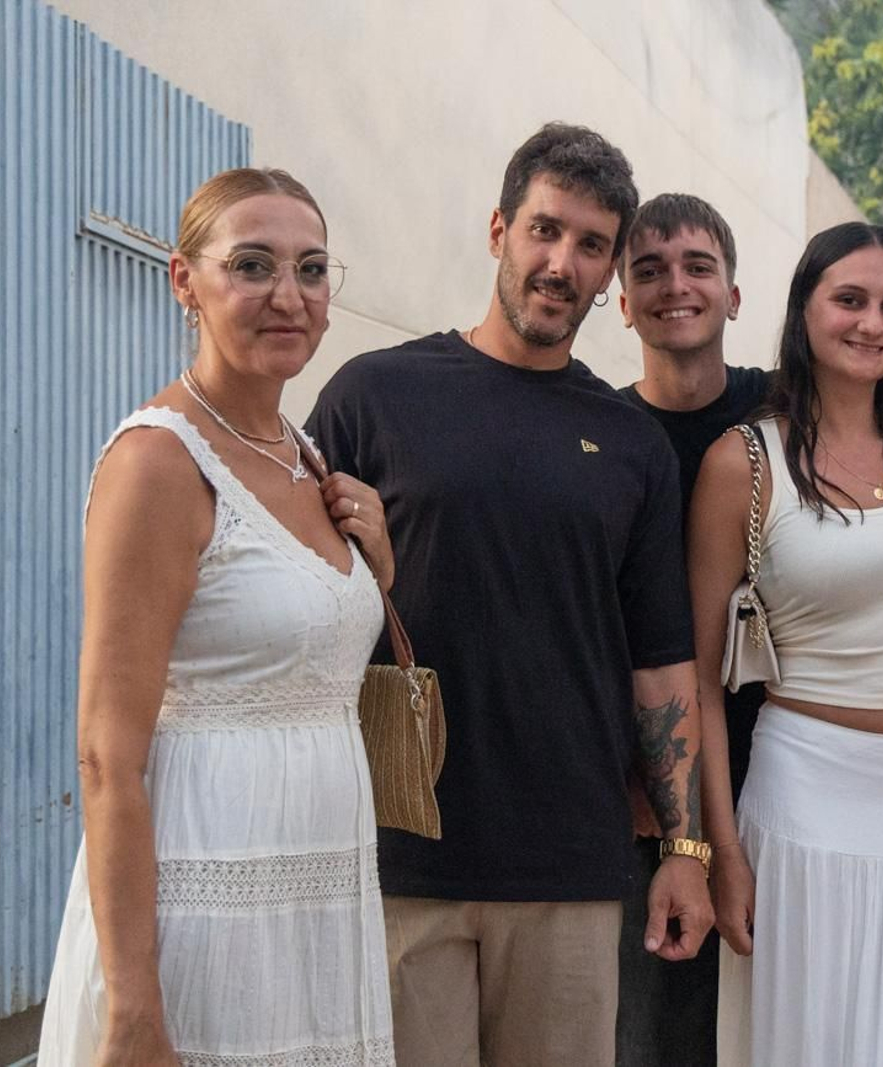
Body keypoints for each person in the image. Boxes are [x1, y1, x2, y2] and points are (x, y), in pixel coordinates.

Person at [304, 124, 712, 1067]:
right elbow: (305, 608)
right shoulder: (374, 396)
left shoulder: (631, 443)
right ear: (498, 230)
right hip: (401, 852)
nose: (561, 263)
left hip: (569, 865)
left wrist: (682, 852)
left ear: (611, 270)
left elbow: (660, 663)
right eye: (544, 230)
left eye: (591, 244)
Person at [39, 168, 395, 1064]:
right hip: (204, 910)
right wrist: (130, 1007)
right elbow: (106, 754)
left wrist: (377, 567)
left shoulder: (305, 456)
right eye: (252, 264)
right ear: (184, 280)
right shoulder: (159, 462)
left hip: (316, 907)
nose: (290, 296)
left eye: (312, 270)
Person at [694, 222, 883, 1066]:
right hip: (812, 786)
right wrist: (720, 849)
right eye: (851, 300)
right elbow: (699, 682)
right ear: (804, 312)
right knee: (819, 1038)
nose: (874, 323)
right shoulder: (744, 463)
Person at [612, 193, 765, 1067]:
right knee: (661, 1041)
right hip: (652, 805)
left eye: (699, 265)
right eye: (649, 269)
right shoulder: (594, 427)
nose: (676, 285)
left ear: (735, 294)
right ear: (623, 300)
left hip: (785, 784)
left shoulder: (790, 411)